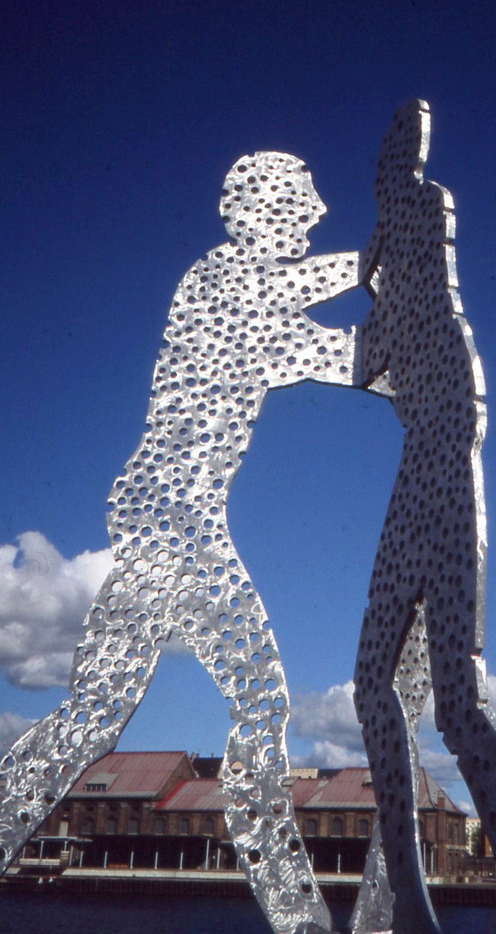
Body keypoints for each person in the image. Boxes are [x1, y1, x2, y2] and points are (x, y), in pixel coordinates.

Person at [0, 152, 362, 934]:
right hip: (176, 523)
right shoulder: (225, 281)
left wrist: (382, 291)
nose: (319, 209)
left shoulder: (238, 291)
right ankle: (300, 918)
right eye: (303, 197)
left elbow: (310, 333)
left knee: (93, 714)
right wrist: (386, 268)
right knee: (259, 705)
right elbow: (312, 345)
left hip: (163, 522)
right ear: (260, 208)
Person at [353, 101, 496, 934]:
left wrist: (352, 273)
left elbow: (364, 355)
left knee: (446, 699)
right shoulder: (400, 253)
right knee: (400, 688)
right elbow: (368, 359)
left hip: (440, 459)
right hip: (426, 464)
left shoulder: (408, 224)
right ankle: (415, 904)